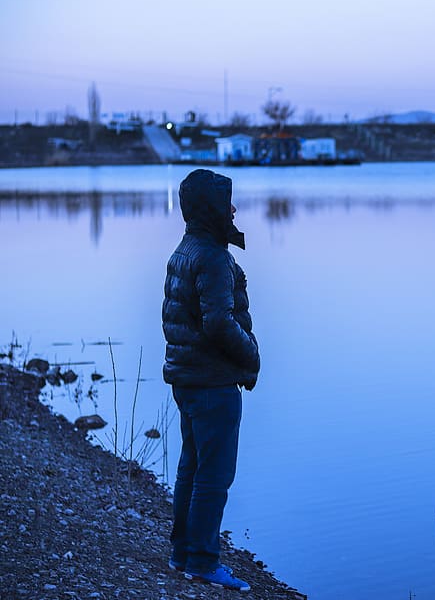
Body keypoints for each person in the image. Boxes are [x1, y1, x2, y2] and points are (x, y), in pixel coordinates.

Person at [162, 168, 260, 592]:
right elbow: (218, 323)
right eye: (226, 202)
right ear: (210, 209)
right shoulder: (213, 257)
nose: (233, 209)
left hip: (188, 378)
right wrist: (251, 355)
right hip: (210, 381)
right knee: (214, 475)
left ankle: (183, 553)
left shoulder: (186, 249)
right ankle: (202, 561)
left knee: (193, 466)